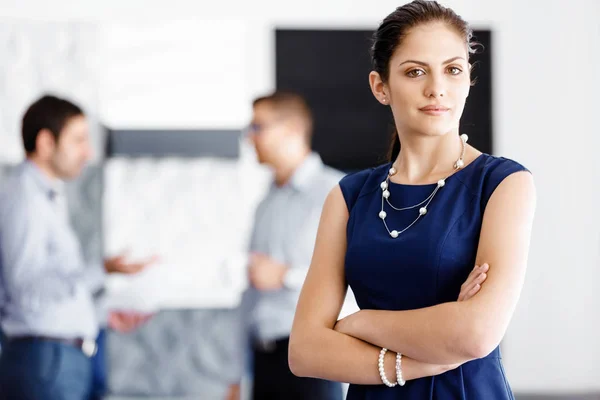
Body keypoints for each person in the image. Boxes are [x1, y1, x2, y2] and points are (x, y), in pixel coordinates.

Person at [288, 1, 536, 399]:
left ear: (468, 78)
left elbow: (476, 335)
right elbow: (304, 351)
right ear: (380, 86)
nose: (436, 87)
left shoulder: (503, 183)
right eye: (415, 71)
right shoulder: (350, 196)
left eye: (453, 69)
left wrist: (358, 322)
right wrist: (428, 357)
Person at [0, 94, 155, 400]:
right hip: (45, 364)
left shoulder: (46, 197)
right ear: (46, 143)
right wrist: (102, 269)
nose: (88, 152)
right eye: (79, 140)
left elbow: (49, 296)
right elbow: (28, 289)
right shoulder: (24, 198)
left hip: (58, 359)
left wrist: (100, 314)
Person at [227, 92, 346, 400]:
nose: (250, 138)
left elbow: (358, 277)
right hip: (264, 360)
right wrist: (236, 372)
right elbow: (251, 290)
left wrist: (285, 276)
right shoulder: (265, 203)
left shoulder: (336, 192)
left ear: (292, 129)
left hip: (314, 359)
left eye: (258, 127)